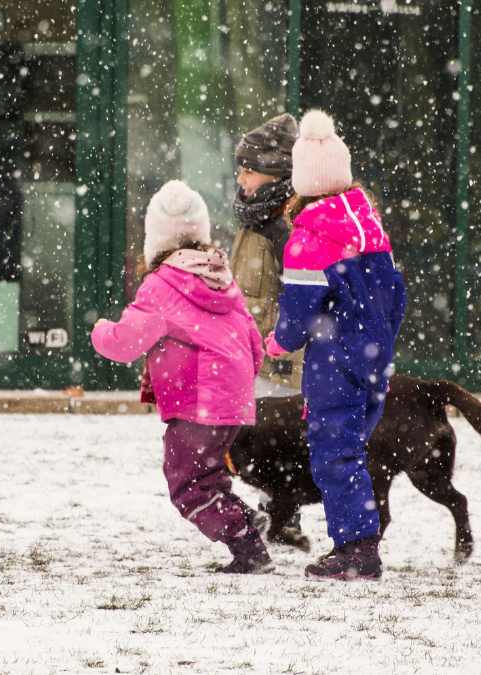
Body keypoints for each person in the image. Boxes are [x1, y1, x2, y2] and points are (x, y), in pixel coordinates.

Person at [91, 180, 271, 574]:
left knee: (186, 484)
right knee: (207, 476)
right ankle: (243, 522)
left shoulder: (160, 285)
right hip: (231, 398)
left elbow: (124, 341)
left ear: (155, 240)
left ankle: (246, 543)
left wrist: (99, 329)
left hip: (196, 401)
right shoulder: (221, 277)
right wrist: (237, 384)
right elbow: (252, 339)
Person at [264, 110, 406, 580]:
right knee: (354, 449)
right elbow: (396, 297)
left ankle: (357, 548)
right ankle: (358, 540)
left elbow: (300, 309)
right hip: (374, 356)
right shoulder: (372, 229)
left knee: (333, 452)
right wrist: (379, 339)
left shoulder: (309, 238)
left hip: (335, 359)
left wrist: (281, 343)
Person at [230, 113, 302, 395]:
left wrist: (280, 354)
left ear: (276, 174)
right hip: (250, 365)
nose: (241, 179)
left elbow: (299, 305)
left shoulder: (286, 227)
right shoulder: (254, 219)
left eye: (249, 171)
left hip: (278, 375)